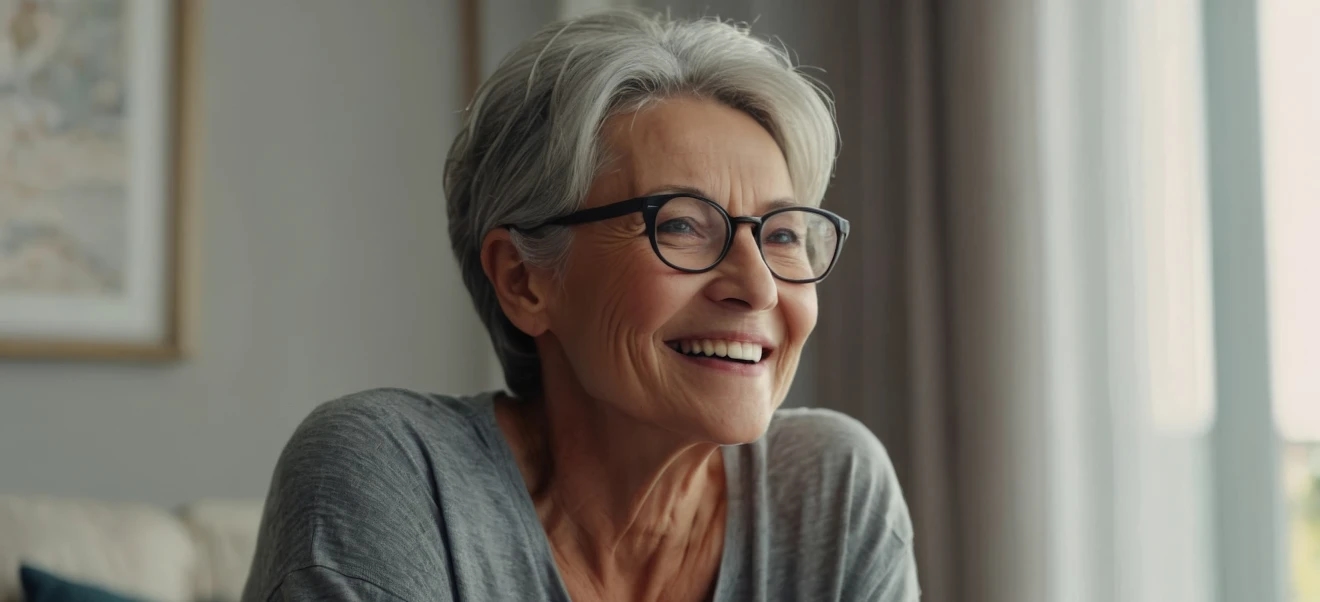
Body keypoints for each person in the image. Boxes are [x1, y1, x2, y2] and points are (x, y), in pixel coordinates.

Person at [241, 9, 918, 602]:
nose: (759, 286)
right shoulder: (390, 475)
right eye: (681, 224)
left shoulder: (830, 493)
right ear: (524, 281)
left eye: (784, 235)